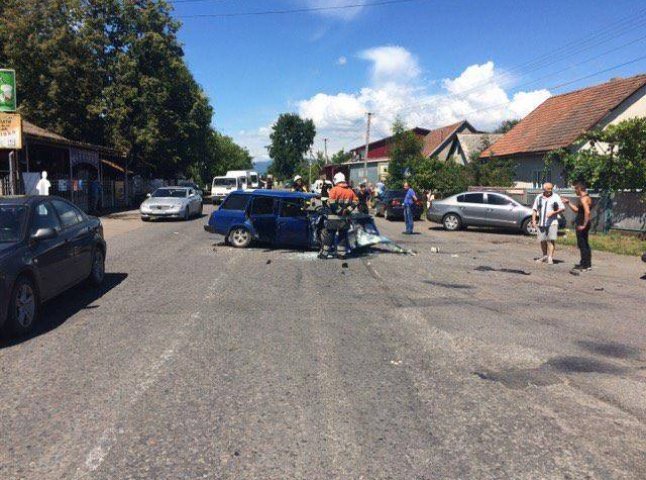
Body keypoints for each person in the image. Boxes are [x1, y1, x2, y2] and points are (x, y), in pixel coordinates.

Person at [319, 172, 358, 260]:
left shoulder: (334, 190)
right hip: (345, 219)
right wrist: (347, 210)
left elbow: (332, 202)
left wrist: (339, 211)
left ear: (336, 180)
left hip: (333, 218)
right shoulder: (350, 191)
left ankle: (324, 254)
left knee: (330, 236)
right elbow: (356, 202)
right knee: (342, 236)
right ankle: (342, 255)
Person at [531, 182, 565, 265]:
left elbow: (562, 208)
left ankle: (550, 257)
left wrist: (553, 212)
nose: (550, 190)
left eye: (551, 189)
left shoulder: (556, 197)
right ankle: (544, 255)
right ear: (544, 189)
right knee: (542, 240)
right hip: (541, 222)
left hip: (552, 222)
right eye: (548, 189)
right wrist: (534, 220)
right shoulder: (539, 197)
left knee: (551, 240)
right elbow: (534, 209)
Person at [563, 181, 593, 271]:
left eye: (576, 188)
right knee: (584, 244)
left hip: (582, 223)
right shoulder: (585, 198)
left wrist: (584, 224)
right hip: (582, 222)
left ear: (580, 189)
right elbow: (577, 210)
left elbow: (587, 212)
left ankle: (585, 265)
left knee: (583, 244)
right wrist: (568, 203)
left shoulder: (584, 198)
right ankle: (586, 263)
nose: (575, 190)